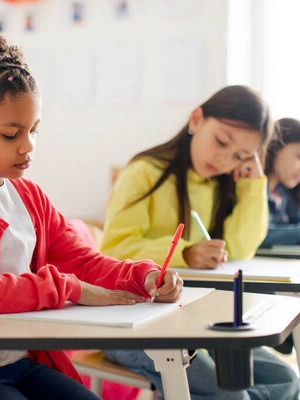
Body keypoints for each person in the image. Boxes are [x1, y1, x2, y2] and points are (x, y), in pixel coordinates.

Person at [0, 33, 183, 400]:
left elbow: (83, 261)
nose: (28, 146)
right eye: (10, 134)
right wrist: (68, 289)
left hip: (21, 363)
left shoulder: (29, 197)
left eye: (33, 130)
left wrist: (143, 276)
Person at [100, 85, 299, 399]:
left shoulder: (221, 185)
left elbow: (238, 249)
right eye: (221, 141)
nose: (224, 159)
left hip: (195, 321)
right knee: (232, 394)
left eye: (240, 156)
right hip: (133, 324)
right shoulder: (144, 173)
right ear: (196, 120)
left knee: (286, 378)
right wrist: (185, 253)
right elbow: (114, 249)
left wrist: (251, 187)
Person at [261, 118, 300, 247]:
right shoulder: (252, 188)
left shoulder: (286, 195)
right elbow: (258, 235)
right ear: (276, 145)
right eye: (299, 157)